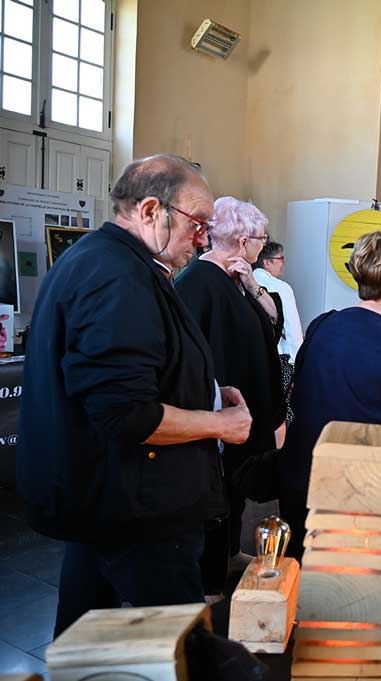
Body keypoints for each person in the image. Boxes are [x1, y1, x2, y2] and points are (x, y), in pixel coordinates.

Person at [16, 154, 252, 635]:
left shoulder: (107, 260)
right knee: (176, 651)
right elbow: (126, 414)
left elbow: (136, 370)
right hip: (136, 513)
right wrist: (219, 425)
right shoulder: (116, 276)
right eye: (197, 223)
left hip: (110, 503)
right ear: (149, 211)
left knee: (88, 641)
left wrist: (204, 391)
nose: (203, 239)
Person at [279, 231, 381, 558]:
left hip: (305, 483)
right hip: (367, 500)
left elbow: (299, 396)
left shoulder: (322, 327)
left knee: (297, 577)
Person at [175, 197, 285, 592]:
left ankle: (229, 553)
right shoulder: (197, 282)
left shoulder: (239, 278)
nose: (263, 245)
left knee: (237, 486)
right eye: (261, 239)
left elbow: (272, 324)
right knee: (218, 490)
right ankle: (209, 579)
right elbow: (189, 351)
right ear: (242, 241)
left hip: (245, 403)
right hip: (220, 407)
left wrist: (253, 285)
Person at [254, 240, 303, 428]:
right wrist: (299, 364)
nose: (283, 263)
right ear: (267, 262)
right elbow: (292, 328)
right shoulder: (281, 288)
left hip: (253, 356)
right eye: (281, 259)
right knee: (282, 413)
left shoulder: (243, 282)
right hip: (280, 358)